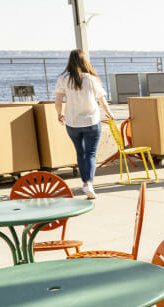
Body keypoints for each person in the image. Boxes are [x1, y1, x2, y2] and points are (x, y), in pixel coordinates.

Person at [54, 49, 115, 200]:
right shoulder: (91, 79)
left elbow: (58, 101)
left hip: (72, 122)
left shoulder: (63, 78)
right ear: (84, 61)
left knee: (80, 153)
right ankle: (88, 184)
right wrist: (109, 113)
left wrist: (59, 113)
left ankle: (85, 182)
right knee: (91, 154)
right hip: (91, 121)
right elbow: (101, 100)